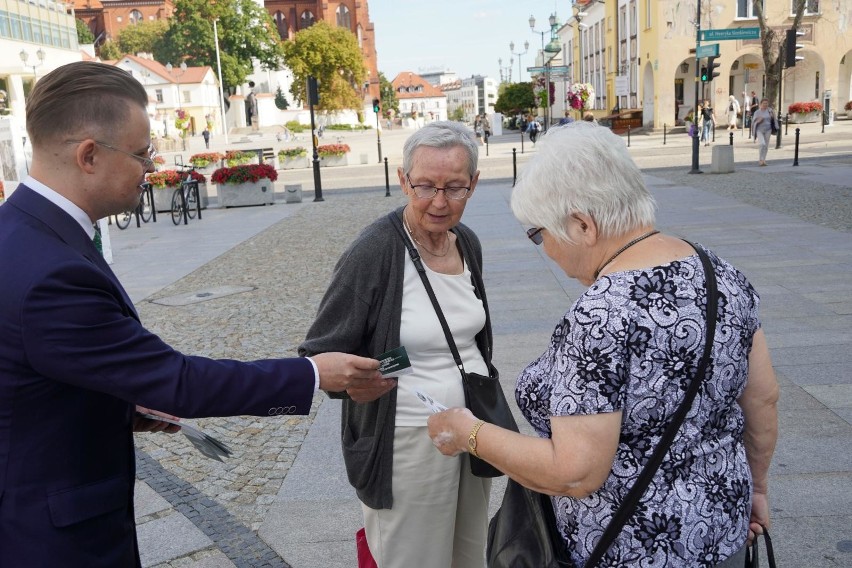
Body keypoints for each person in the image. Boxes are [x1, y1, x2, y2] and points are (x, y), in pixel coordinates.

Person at [0, 61, 387, 567]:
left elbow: (33, 372)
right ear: (88, 155)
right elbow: (177, 381)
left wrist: (118, 410)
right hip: (50, 538)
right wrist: (313, 373)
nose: (153, 167)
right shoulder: (53, 272)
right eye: (142, 154)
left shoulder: (20, 232)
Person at [427, 122, 779, 567]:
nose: (546, 249)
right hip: (721, 530)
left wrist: (468, 433)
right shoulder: (720, 273)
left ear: (583, 225)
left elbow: (574, 473)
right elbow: (763, 398)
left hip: (629, 550)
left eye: (540, 234)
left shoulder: (602, 315)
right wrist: (758, 488)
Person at [300, 121, 493, 568]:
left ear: (474, 184)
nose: (439, 202)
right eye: (425, 185)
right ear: (404, 180)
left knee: (469, 558)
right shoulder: (375, 250)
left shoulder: (467, 243)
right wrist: (355, 383)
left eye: (455, 187)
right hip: (407, 439)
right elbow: (319, 352)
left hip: (474, 430)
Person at [751, 97, 777, 166]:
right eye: (764, 103)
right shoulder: (757, 112)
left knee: (766, 145)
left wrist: (773, 117)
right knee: (762, 144)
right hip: (759, 130)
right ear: (761, 104)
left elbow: (774, 119)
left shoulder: (770, 111)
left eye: (766, 103)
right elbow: (753, 122)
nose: (765, 105)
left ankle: (763, 160)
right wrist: (758, 121)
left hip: (768, 130)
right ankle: (760, 159)